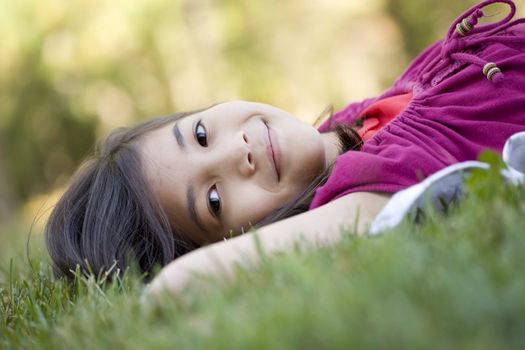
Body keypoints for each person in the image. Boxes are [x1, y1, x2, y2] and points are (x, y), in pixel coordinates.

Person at [44, 0, 525, 295]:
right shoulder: (365, 191)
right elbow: (180, 284)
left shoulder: (356, 121)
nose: (239, 154)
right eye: (214, 200)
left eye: (201, 135)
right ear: (242, 237)